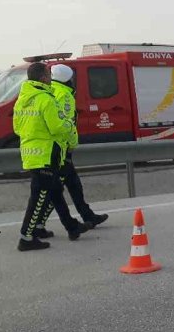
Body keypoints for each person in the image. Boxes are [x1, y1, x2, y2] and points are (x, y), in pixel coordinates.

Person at [13, 62, 75, 251]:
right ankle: (26, 238)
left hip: (30, 153)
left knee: (54, 190)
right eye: (49, 74)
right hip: (46, 154)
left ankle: (62, 227)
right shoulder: (46, 99)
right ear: (42, 78)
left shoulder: (22, 99)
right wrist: (70, 125)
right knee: (38, 197)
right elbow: (57, 127)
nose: (51, 78)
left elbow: (17, 128)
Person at [41, 64, 109, 232]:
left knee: (70, 184)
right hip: (62, 148)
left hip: (52, 147)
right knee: (59, 188)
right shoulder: (65, 94)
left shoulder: (50, 91)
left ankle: (87, 216)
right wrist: (71, 145)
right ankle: (41, 223)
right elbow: (67, 124)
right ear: (67, 79)